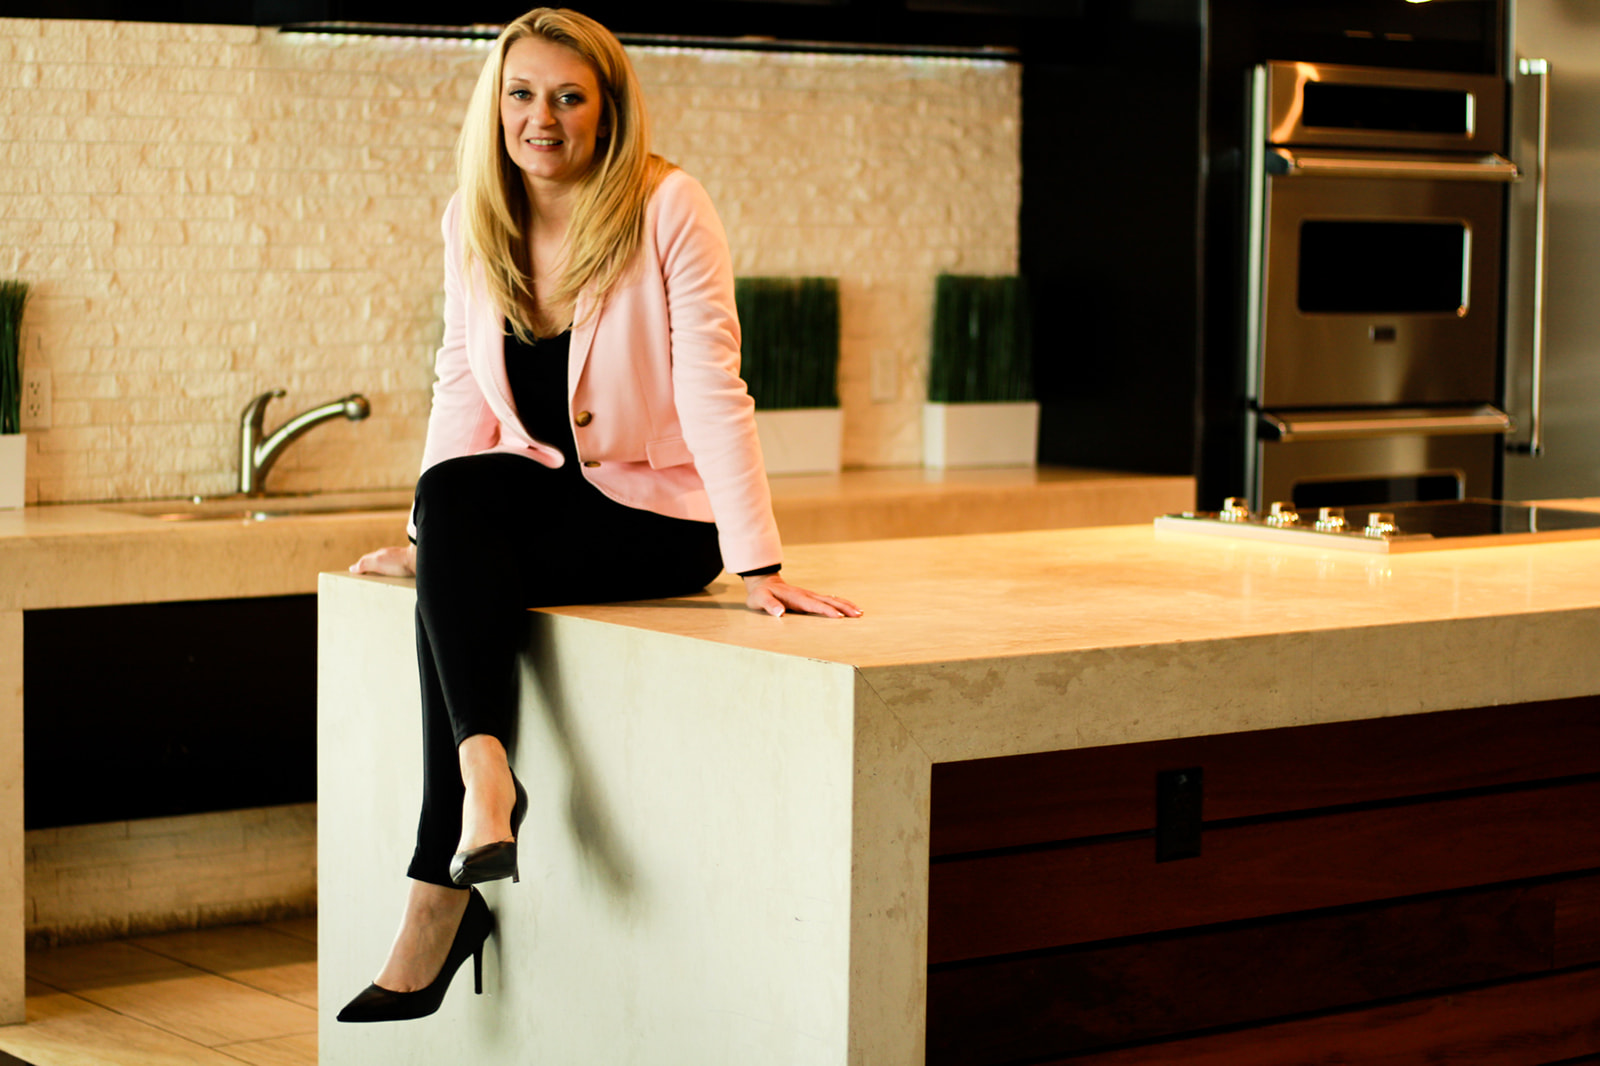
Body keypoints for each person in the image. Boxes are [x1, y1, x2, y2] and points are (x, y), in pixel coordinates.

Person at [334, 7, 860, 1024]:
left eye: (569, 96)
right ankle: (485, 784)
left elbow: (714, 384)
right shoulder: (471, 216)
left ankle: (438, 894)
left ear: (606, 110)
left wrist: (756, 562)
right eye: (523, 94)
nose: (543, 117)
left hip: (655, 515)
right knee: (452, 506)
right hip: (537, 501)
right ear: (496, 108)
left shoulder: (668, 205)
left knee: (453, 577)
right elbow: (462, 390)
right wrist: (422, 539)